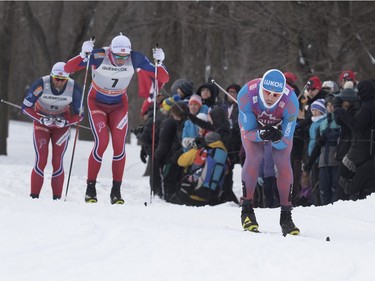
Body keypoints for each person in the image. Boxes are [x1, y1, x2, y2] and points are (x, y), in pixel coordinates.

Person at [64, 33, 169, 204]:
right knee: (102, 141)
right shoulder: (99, 56)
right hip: (96, 102)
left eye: (124, 56)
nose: (121, 60)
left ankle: (116, 191)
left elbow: (163, 77)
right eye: (117, 56)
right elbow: (68, 69)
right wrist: (83, 54)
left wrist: (160, 63)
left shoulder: (135, 58)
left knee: (119, 146)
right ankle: (91, 188)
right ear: (111, 52)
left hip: (119, 105)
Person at [237, 69, 300, 235]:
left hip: (279, 127)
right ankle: (247, 210)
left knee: (283, 162)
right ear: (261, 88)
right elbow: (249, 132)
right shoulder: (246, 95)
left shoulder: (291, 102)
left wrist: (277, 138)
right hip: (254, 126)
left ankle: (286, 216)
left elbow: (283, 144)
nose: (271, 97)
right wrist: (262, 134)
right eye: (267, 92)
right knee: (254, 156)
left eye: (275, 94)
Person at [21, 62, 83, 200]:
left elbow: (81, 114)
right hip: (42, 121)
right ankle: (34, 197)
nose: (60, 82)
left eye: (63, 80)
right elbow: (25, 107)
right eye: (57, 79)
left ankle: (57, 199)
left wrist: (67, 122)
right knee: (41, 159)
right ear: (51, 76)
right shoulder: (41, 84)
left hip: (61, 124)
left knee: (57, 160)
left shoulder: (74, 88)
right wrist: (41, 119)